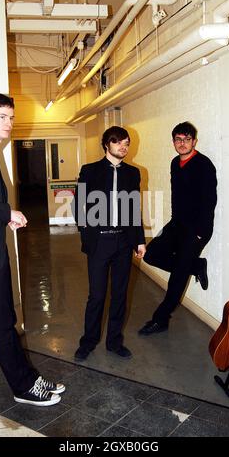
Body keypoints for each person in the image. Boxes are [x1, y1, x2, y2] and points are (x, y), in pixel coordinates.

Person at [0, 94, 65, 406]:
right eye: (2, 116)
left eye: (11, 117)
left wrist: (6, 218)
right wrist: (7, 212)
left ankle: (29, 377)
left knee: (8, 320)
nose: (9, 123)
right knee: (4, 323)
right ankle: (23, 388)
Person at [73, 126, 146, 361]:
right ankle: (89, 341)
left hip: (124, 243)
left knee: (120, 294)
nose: (123, 147)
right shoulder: (90, 171)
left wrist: (140, 241)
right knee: (96, 295)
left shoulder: (133, 173)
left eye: (126, 143)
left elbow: (134, 209)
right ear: (107, 144)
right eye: (118, 143)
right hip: (99, 242)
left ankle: (114, 342)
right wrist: (86, 233)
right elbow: (78, 205)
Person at [139, 121, 217, 335]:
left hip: (197, 229)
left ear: (194, 141)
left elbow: (209, 199)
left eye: (187, 139)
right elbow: (177, 196)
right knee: (151, 255)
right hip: (177, 224)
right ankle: (196, 266)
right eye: (178, 139)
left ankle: (160, 318)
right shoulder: (175, 162)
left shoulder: (203, 164)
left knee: (178, 274)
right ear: (173, 141)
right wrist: (173, 221)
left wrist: (201, 230)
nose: (182, 143)